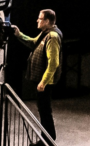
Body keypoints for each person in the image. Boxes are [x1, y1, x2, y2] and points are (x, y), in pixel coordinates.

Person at [15, 8, 64, 136]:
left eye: (40, 18)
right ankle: (44, 139)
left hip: (45, 81)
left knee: (45, 111)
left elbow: (53, 62)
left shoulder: (52, 37)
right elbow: (33, 42)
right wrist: (19, 34)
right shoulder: (46, 33)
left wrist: (43, 82)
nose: (37, 20)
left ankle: (49, 142)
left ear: (47, 21)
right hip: (41, 79)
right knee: (42, 111)